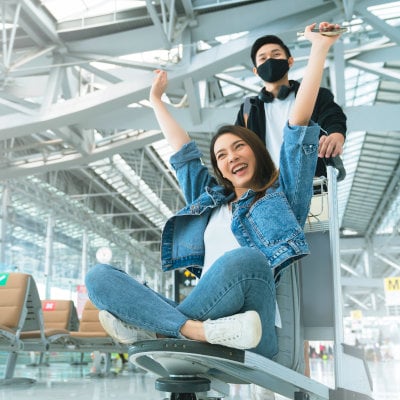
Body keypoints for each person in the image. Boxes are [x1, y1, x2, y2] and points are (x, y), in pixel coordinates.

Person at [84, 23, 342, 363]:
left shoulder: (281, 197)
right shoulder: (207, 201)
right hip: (211, 324)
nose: (231, 156)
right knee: (98, 277)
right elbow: (183, 153)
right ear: (219, 169)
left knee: (244, 259)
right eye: (221, 155)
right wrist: (155, 100)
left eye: (239, 147)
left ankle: (159, 328)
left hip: (254, 329)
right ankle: (193, 331)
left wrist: (320, 49)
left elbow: (297, 127)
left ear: (256, 151)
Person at [235, 30, 347, 177]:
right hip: (266, 189)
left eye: (276, 55)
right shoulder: (249, 108)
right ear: (256, 71)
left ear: (290, 61)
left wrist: (335, 136)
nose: (269, 60)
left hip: (312, 184)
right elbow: (237, 143)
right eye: (263, 58)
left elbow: (333, 117)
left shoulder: (315, 95)